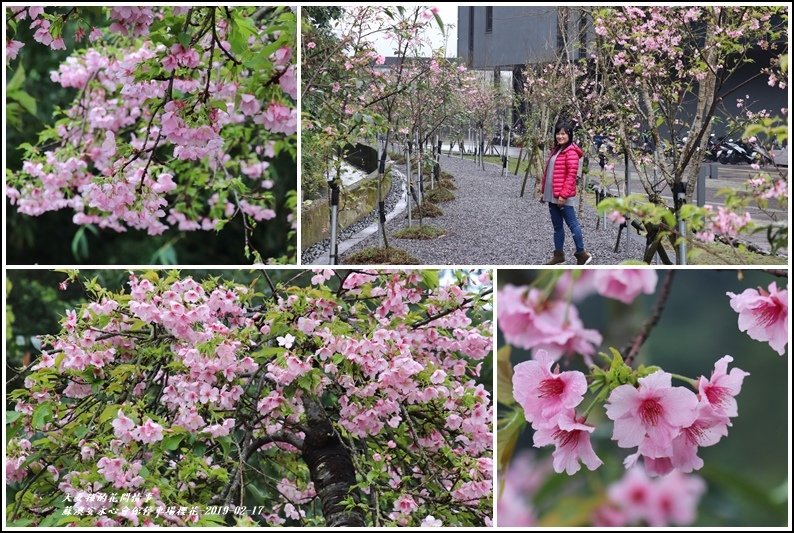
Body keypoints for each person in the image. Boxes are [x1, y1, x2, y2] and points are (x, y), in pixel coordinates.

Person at [540, 122, 592, 265]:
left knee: (572, 224)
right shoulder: (557, 150)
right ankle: (558, 254)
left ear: (569, 135)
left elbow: (571, 176)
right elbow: (549, 173)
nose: (560, 136)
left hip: (563, 196)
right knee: (557, 226)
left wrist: (563, 195)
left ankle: (582, 254)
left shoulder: (571, 152)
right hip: (552, 194)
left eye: (563, 133)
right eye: (558, 133)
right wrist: (544, 191)